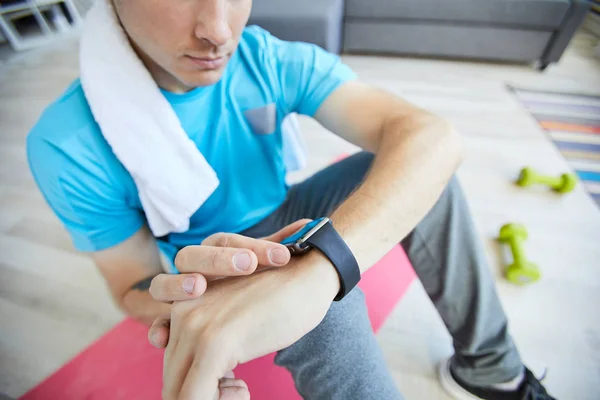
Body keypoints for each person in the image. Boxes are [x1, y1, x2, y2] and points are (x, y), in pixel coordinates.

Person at [26, 0, 555, 399]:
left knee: (414, 171)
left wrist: (318, 268)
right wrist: (195, 299)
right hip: (212, 255)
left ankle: (491, 368)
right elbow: (131, 285)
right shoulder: (68, 143)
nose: (217, 31)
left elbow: (432, 136)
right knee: (325, 310)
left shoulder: (266, 58)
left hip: (292, 211)